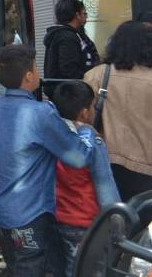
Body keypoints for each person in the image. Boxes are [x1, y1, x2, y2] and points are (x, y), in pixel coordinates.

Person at [0, 44, 96, 277]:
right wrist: (86, 130)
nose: (39, 72)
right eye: (36, 68)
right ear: (28, 76)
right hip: (30, 214)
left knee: (18, 266)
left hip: (1, 210)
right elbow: (77, 156)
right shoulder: (40, 113)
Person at [51, 80, 120, 277]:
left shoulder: (50, 135)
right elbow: (105, 187)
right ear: (83, 112)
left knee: (64, 269)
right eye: (92, 106)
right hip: (85, 221)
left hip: (56, 217)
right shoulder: (93, 142)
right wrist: (117, 222)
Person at [83, 21, 152, 201]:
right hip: (146, 166)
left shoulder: (96, 75)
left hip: (106, 162)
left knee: (113, 220)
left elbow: (82, 119)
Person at [43, 0, 100, 99]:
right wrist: (88, 81)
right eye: (84, 13)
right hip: (70, 95)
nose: (86, 16)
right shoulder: (67, 37)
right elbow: (69, 69)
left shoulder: (68, 34)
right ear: (77, 15)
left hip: (68, 91)